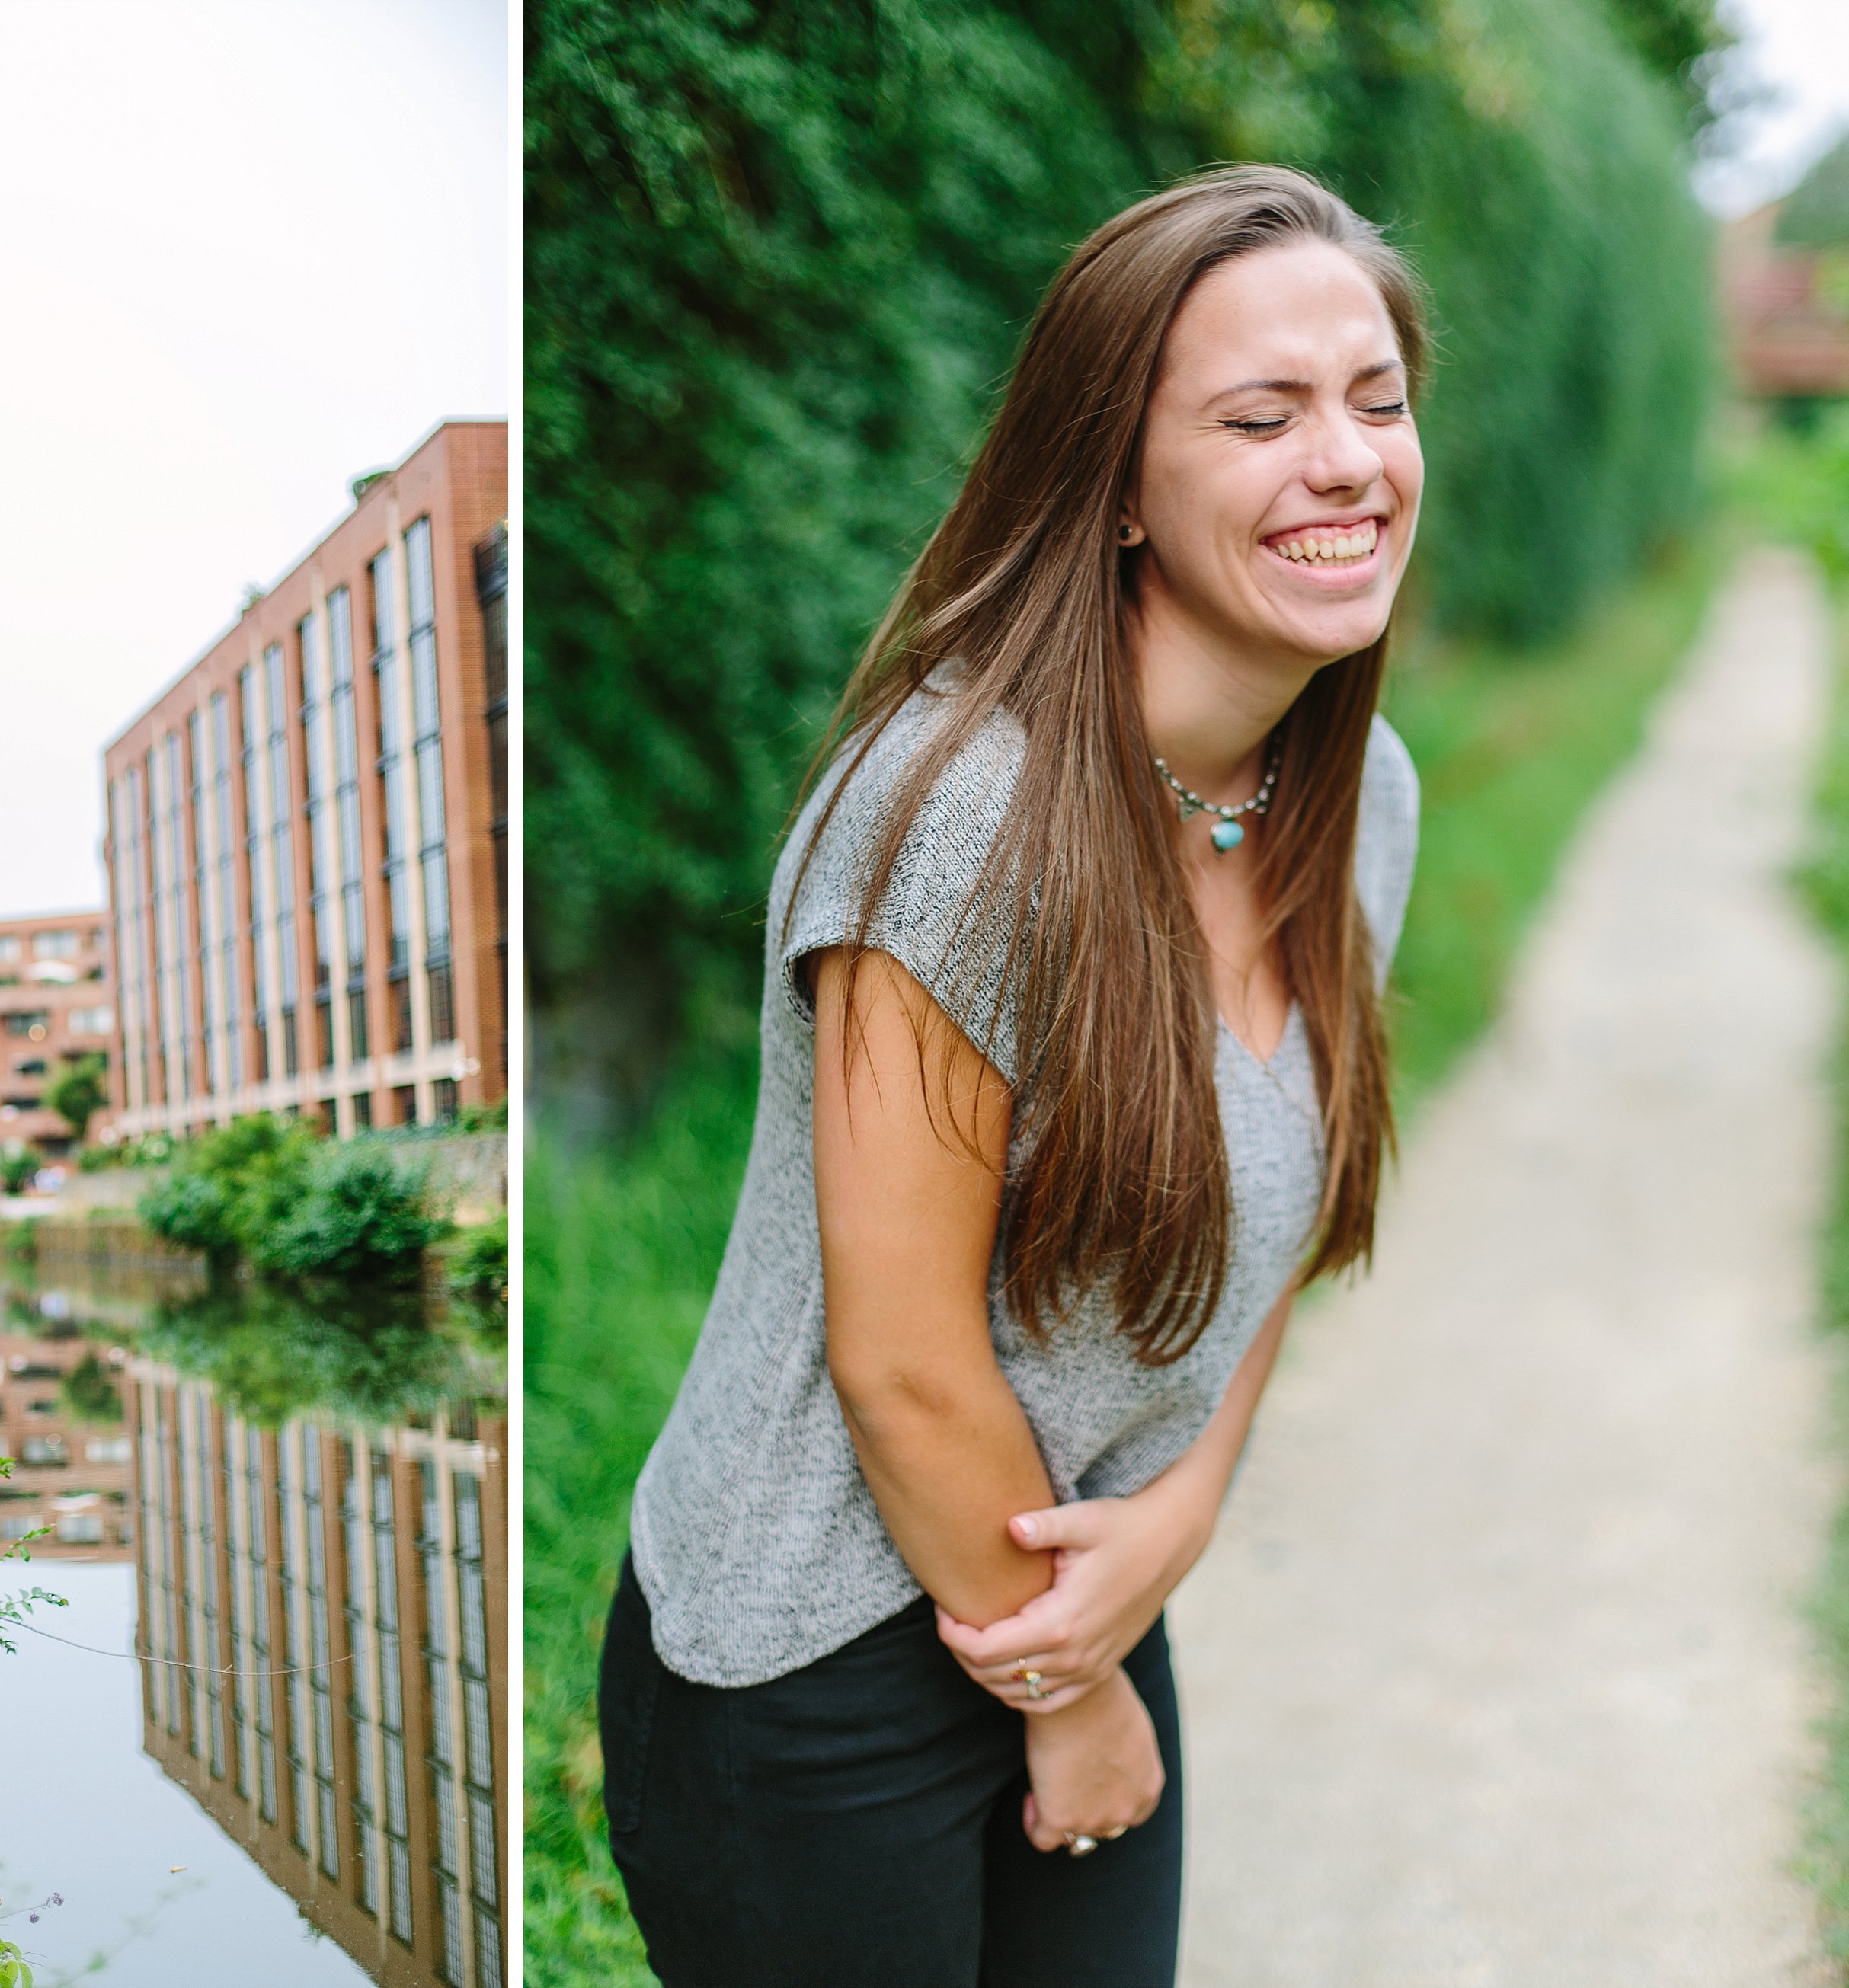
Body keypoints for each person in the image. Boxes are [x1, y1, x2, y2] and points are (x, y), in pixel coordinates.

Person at [600, 164, 1425, 1986]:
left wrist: (1187, 1509)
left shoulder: (1356, 802)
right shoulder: (950, 821)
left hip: (1085, 1577)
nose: (1351, 460)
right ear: (1118, 484)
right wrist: (1072, 1691)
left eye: (1376, 398)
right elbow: (898, 1359)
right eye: (1261, 414)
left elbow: (1282, 1196)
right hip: (813, 1657)